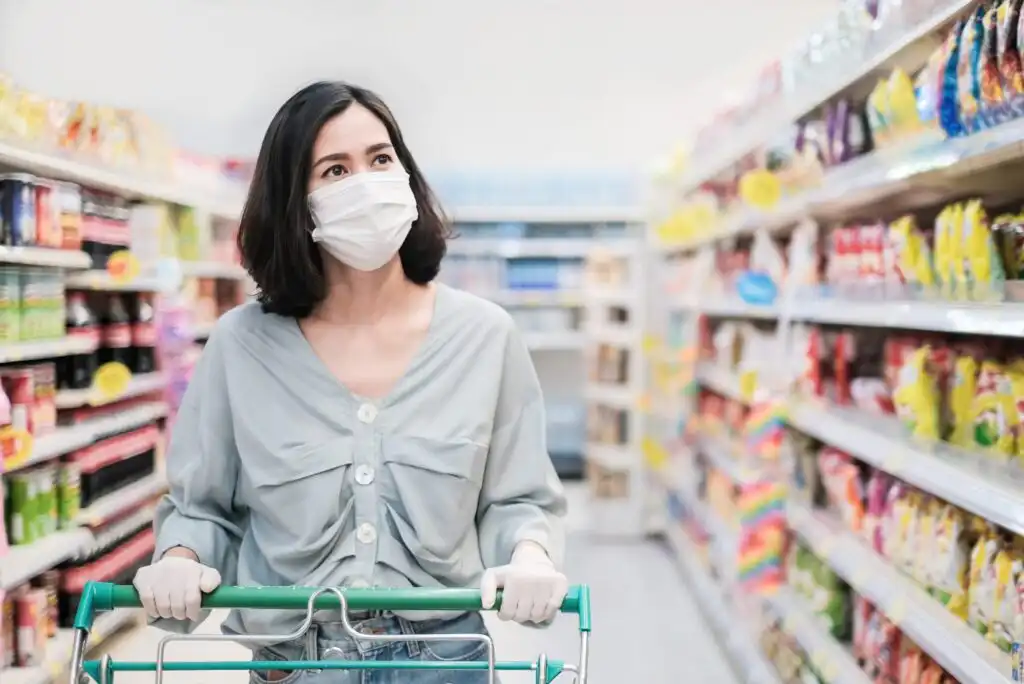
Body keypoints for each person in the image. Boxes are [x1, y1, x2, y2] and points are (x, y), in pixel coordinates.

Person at [132, 81, 568, 683]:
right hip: (296, 661)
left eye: (380, 159)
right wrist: (180, 560)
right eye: (334, 170)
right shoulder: (240, 347)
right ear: (295, 203)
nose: (366, 183)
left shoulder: (485, 337)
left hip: (446, 662)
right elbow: (204, 508)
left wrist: (529, 556)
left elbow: (515, 500)